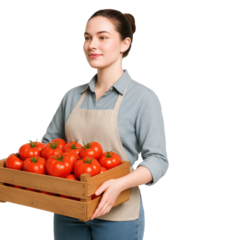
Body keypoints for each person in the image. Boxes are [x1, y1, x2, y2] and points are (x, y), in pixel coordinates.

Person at [40, 7, 169, 240]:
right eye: (87, 38)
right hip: (69, 210)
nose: (91, 45)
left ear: (124, 44)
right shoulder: (72, 95)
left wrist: (119, 184)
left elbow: (158, 160)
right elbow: (48, 145)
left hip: (118, 215)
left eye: (102, 37)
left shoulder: (143, 97)